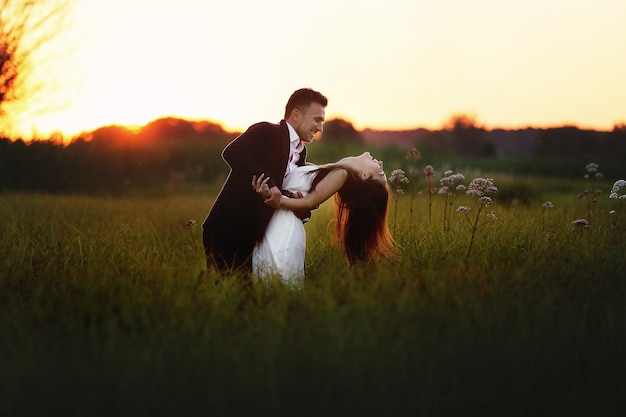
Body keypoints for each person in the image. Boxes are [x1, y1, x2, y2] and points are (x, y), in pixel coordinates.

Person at [202, 88, 328, 273]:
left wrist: (295, 199)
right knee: (225, 295)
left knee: (254, 297)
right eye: (317, 120)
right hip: (229, 229)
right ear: (296, 115)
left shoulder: (301, 152)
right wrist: (270, 184)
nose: (320, 128)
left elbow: (281, 186)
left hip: (257, 235)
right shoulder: (267, 131)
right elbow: (232, 152)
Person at [251, 152, 397, 287]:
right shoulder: (331, 170)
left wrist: (277, 200)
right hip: (279, 223)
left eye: (380, 171)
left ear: (364, 175)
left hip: (283, 230)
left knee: (277, 287)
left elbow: (310, 202)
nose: (380, 163)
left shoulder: (342, 173)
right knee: (274, 286)